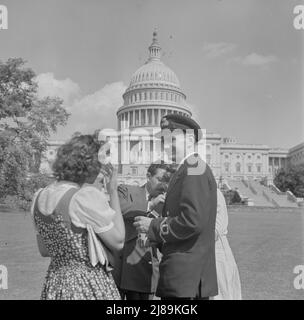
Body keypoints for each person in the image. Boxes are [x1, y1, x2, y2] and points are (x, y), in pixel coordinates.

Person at [134, 114, 218, 299]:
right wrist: (155, 237)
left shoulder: (194, 169)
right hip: (183, 273)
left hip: (187, 275)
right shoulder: (187, 168)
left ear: (188, 139)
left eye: (169, 139)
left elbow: (192, 221)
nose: (164, 146)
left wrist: (153, 226)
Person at [31, 134, 125, 300]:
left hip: (55, 283)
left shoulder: (39, 197)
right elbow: (118, 241)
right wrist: (112, 191)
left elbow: (44, 250)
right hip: (87, 283)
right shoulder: (83, 197)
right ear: (89, 166)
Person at [113, 163, 170, 300]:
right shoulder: (126, 190)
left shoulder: (167, 202)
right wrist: (150, 205)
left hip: (147, 268)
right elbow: (118, 210)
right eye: (160, 179)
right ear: (148, 176)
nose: (163, 184)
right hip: (122, 266)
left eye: (166, 180)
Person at [213, 189, 242, 300]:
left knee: (222, 291)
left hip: (216, 247)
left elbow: (217, 228)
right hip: (208, 248)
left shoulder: (214, 193)